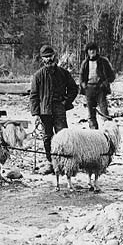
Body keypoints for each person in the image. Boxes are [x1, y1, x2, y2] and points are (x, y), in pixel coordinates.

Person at [30, 44, 79, 175]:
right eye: (45, 57)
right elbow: (33, 96)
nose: (48, 59)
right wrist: (35, 114)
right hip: (44, 111)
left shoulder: (64, 73)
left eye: (50, 56)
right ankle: (51, 162)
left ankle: (64, 162)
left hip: (59, 110)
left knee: (63, 136)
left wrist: (66, 102)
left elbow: (74, 89)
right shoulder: (38, 76)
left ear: (54, 56)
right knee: (47, 137)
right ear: (42, 59)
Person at [79, 41, 116, 129]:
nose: (92, 52)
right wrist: (84, 85)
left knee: (104, 112)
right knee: (91, 113)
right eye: (90, 50)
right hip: (89, 89)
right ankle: (94, 133)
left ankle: (107, 131)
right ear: (87, 51)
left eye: (94, 50)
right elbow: (81, 77)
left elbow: (112, 76)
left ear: (97, 51)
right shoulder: (85, 63)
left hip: (100, 89)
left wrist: (104, 84)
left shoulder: (103, 62)